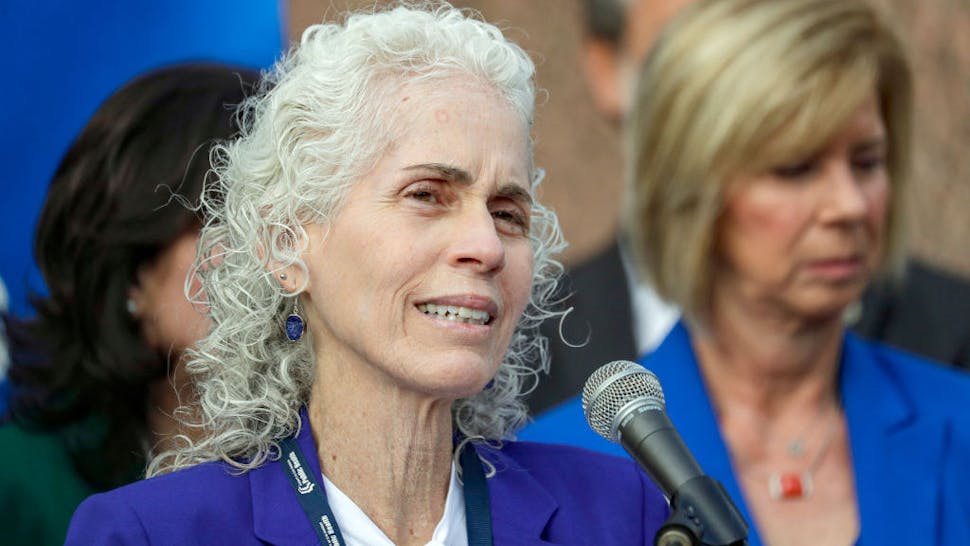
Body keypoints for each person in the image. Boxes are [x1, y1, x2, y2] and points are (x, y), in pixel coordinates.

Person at [64, 5, 670, 545]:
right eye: (427, 194)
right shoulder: (147, 534)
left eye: (508, 212)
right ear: (285, 245)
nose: (486, 245)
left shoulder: (623, 513)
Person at [521, 0, 970, 544]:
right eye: (796, 168)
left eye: (867, 162)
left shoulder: (956, 422)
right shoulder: (557, 468)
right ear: (693, 189)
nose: (849, 204)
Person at [0, 63, 259, 546]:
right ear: (129, 269)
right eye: (222, 218)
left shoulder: (334, 477)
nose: (265, 255)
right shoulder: (18, 486)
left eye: (279, 222)